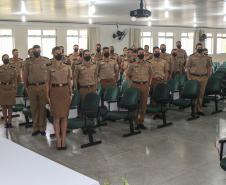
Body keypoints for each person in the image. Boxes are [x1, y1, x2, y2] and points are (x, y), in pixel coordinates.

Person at [46, 46, 72, 150]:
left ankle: (64, 140)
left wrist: (71, 93)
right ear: (53, 54)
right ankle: (58, 140)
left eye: (60, 52)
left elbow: (69, 81)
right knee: (56, 118)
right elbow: (47, 83)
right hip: (54, 92)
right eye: (56, 53)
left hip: (65, 91)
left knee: (65, 117)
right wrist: (47, 96)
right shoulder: (49, 67)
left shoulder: (67, 67)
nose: (59, 54)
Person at [23, 45, 49, 136]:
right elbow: (25, 76)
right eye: (35, 50)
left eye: (38, 50)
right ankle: (35, 128)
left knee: (42, 108)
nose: (36, 51)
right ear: (32, 51)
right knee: (34, 108)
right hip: (32, 87)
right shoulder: (27, 62)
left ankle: (42, 128)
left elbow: (49, 75)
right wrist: (26, 88)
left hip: (43, 87)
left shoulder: (46, 60)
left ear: (40, 50)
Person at [127, 48, 152, 130]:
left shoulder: (148, 64)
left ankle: (141, 122)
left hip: (145, 86)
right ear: (137, 54)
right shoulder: (132, 64)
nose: (141, 54)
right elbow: (128, 75)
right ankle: (136, 122)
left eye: (142, 53)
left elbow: (151, 74)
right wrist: (131, 84)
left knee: (143, 105)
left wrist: (149, 84)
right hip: (135, 86)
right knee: (136, 105)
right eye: (139, 53)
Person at [186, 43, 212, 115]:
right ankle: (193, 110)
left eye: (201, 47)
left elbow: (209, 67)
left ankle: (199, 109)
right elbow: (187, 67)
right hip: (194, 77)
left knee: (201, 94)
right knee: (194, 94)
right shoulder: (191, 57)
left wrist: (208, 75)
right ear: (196, 48)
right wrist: (188, 77)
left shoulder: (206, 57)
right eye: (198, 47)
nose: (200, 48)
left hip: (203, 77)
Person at [73, 49, 97, 116]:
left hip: (92, 88)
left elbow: (95, 77)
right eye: (86, 55)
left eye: (89, 55)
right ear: (83, 56)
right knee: (83, 105)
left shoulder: (94, 65)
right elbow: (75, 78)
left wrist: (96, 87)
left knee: (92, 104)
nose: (87, 56)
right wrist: (76, 89)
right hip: (83, 89)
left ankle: (92, 120)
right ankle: (83, 120)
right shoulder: (78, 66)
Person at [0, 54, 17, 128]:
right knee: (3, 106)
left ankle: (10, 122)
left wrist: (15, 89)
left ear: (9, 59)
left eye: (7, 57)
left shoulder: (13, 68)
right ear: (2, 59)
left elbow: (15, 80)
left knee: (10, 106)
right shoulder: (0, 68)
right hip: (2, 88)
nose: (6, 59)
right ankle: (5, 122)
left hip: (10, 89)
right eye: (4, 58)